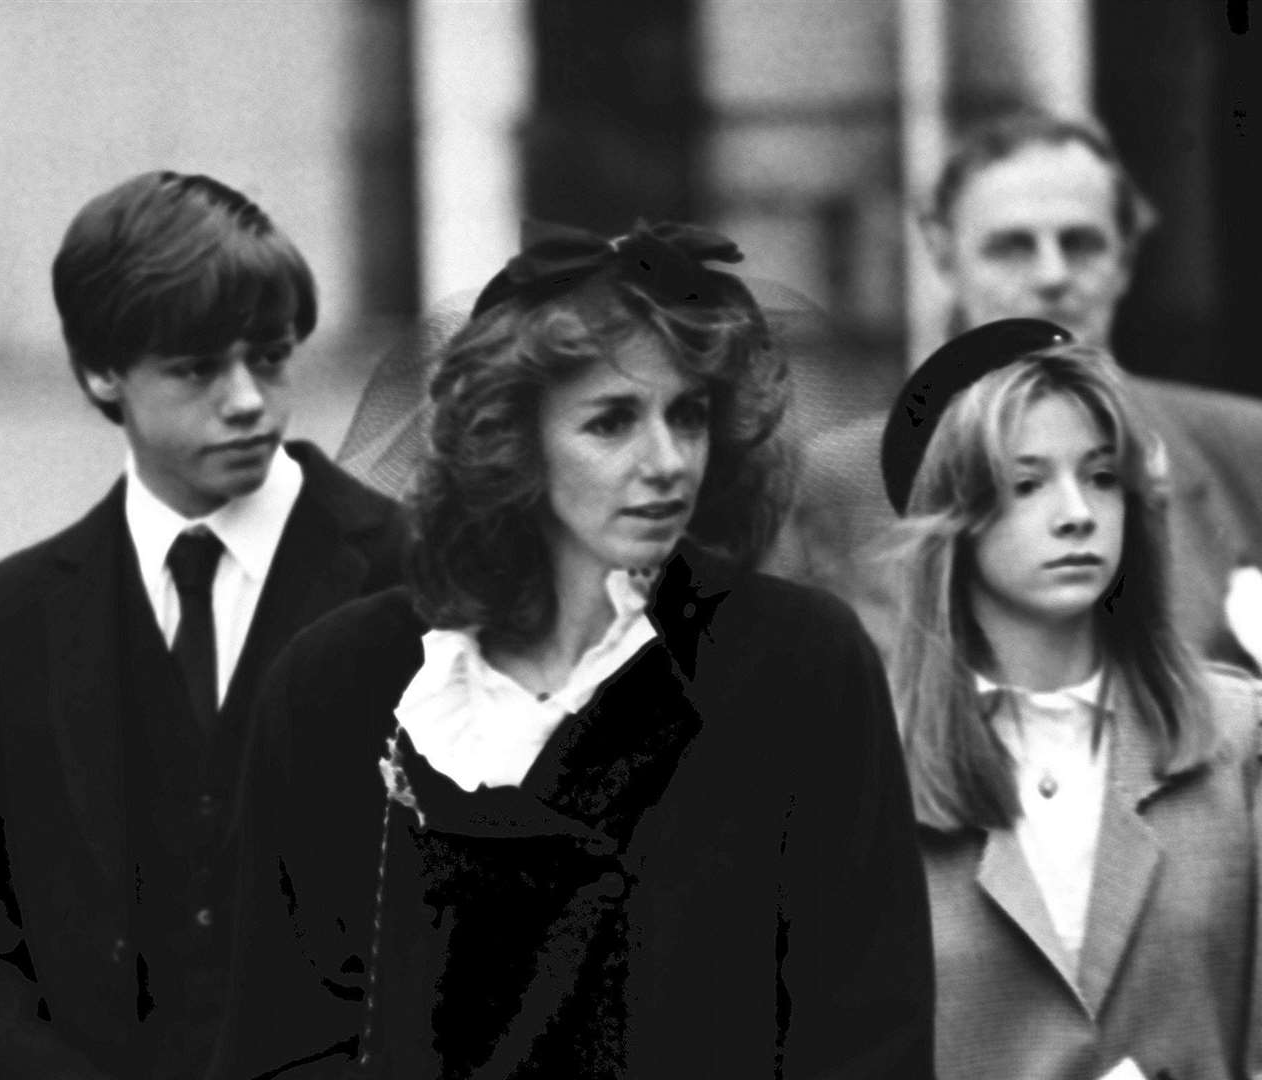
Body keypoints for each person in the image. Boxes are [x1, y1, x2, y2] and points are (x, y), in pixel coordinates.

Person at [214, 221, 934, 1078]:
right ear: (513, 440)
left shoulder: (798, 664)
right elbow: (284, 1039)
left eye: (690, 415)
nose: (667, 461)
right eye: (612, 422)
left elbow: (866, 1032)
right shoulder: (342, 683)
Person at [771, 108, 1262, 942]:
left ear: (1128, 256)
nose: (1053, 274)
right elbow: (805, 746)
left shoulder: (1259, 453)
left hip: (1226, 930)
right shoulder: (843, 480)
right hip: (959, 929)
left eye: (1083, 243)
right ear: (943, 252)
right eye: (1013, 246)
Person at [0, 171, 407, 1078]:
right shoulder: (16, 612)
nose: (249, 398)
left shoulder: (415, 574)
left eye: (269, 356)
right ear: (104, 371)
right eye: (197, 369)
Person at [875, 319, 1262, 1080]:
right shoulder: (867, 773)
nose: (1077, 513)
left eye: (1099, 476)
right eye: (1027, 484)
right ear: (953, 519)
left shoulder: (1256, 750)